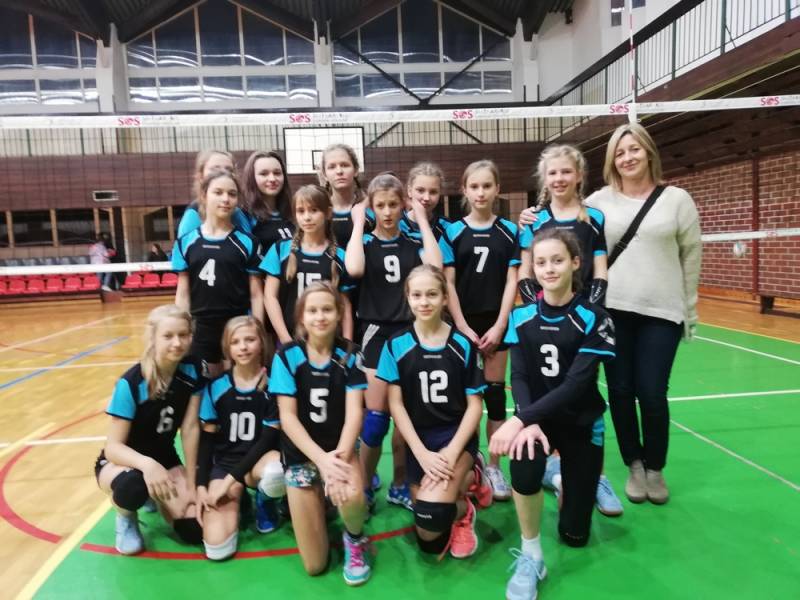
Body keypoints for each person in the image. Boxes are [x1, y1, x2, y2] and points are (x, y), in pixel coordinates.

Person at [489, 229, 616, 600]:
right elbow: (519, 375)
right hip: (538, 424)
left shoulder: (595, 318)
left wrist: (519, 419)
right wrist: (528, 422)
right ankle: (532, 554)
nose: (548, 268)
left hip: (580, 423)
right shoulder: (521, 316)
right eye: (541, 262)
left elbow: (576, 385)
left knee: (574, 535)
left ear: (575, 263)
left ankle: (561, 478)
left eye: (557, 260)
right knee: (523, 465)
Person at [584, 122, 701, 504]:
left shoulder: (677, 200)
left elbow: (691, 256)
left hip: (662, 312)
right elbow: (565, 220)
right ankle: (634, 464)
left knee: (651, 393)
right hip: (613, 310)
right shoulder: (599, 201)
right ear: (611, 161)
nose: (627, 157)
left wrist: (689, 311)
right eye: (619, 153)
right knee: (620, 392)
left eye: (634, 149)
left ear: (649, 152)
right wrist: (531, 217)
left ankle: (655, 467)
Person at [517, 145, 622, 517]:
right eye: (552, 173)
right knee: (546, 384)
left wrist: (589, 307)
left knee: (584, 391)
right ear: (544, 179)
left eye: (566, 172)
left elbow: (600, 268)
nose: (559, 179)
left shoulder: (593, 216)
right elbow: (525, 269)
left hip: (581, 318)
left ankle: (597, 477)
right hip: (544, 315)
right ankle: (554, 466)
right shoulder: (534, 219)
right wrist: (537, 306)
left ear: (578, 175)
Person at [344, 173, 442, 513]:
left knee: (407, 420)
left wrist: (423, 220)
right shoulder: (365, 243)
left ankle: (400, 484)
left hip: (409, 333)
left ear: (404, 205)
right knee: (375, 420)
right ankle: (365, 483)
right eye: (380, 205)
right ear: (371, 207)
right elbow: (353, 269)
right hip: (375, 332)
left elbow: (435, 266)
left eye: (393, 205)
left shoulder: (414, 240)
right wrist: (359, 222)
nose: (387, 212)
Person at [268, 282, 372, 585]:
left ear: (338, 314)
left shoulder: (350, 354)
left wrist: (335, 463)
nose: (320, 316)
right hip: (302, 456)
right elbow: (288, 418)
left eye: (327, 309)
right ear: (302, 317)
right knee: (315, 565)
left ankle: (355, 538)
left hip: (340, 451)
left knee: (352, 496)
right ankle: (316, 503)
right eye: (312, 310)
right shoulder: (287, 356)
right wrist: (321, 462)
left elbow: (355, 415)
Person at [378, 265, 485, 559]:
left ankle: (466, 499)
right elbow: (396, 405)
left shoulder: (463, 345)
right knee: (427, 530)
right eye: (417, 295)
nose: (424, 302)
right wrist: (421, 453)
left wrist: (451, 452)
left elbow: (475, 406)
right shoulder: (395, 345)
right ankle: (465, 488)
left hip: (455, 437)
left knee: (435, 513)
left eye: (432, 294)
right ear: (408, 298)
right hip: (420, 441)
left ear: (445, 298)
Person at [94, 304, 204, 555]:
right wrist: (147, 465)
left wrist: (191, 479)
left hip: (165, 458)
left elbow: (189, 428)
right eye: (168, 336)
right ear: (153, 338)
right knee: (134, 486)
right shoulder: (132, 382)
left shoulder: (193, 370)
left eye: (183, 335)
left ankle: (154, 495)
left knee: (193, 530)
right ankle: (126, 516)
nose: (177, 343)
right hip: (122, 463)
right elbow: (113, 448)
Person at [440, 160, 518, 501]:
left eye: (487, 186)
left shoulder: (510, 231)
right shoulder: (453, 232)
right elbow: (448, 282)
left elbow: (512, 281)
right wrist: (462, 326)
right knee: (463, 399)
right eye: (474, 186)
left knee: (496, 397)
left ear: (497, 189)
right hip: (463, 325)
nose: (481, 192)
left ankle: (495, 468)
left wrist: (500, 325)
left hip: (496, 325)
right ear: (465, 190)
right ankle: (467, 461)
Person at [196, 316, 284, 560]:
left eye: (250, 340)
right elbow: (207, 440)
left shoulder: (274, 384)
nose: (243, 347)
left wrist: (228, 483)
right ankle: (240, 499)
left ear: (262, 343)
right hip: (225, 465)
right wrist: (201, 485)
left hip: (259, 463)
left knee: (276, 471)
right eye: (235, 342)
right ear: (228, 348)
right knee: (217, 548)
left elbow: (267, 440)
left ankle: (265, 500)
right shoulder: (216, 386)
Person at [172, 169, 264, 378]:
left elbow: (256, 294)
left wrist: (257, 330)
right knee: (209, 385)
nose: (226, 199)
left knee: (237, 383)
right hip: (202, 327)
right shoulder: (186, 242)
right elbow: (183, 293)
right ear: (204, 195)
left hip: (237, 324)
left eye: (232, 194)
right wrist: (182, 326)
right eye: (218, 192)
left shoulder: (247, 242)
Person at [262, 184, 353, 346]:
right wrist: (286, 340)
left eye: (314, 210)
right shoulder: (280, 249)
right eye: (301, 211)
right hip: (289, 338)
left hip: (328, 341)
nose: (307, 217)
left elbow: (344, 306)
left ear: (328, 213)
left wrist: (347, 345)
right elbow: (270, 297)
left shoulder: (340, 256)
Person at [177, 150, 250, 238]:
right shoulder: (193, 215)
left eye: (229, 170)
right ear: (200, 176)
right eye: (215, 170)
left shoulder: (237, 213)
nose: (223, 174)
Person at [317, 143, 374, 246]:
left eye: (344, 165)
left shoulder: (371, 208)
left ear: (356, 170)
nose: (339, 171)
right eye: (332, 167)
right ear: (325, 175)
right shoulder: (318, 211)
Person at [241, 150, 295, 256]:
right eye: (264, 174)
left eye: (277, 173)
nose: (272, 179)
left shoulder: (294, 212)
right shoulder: (244, 216)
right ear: (252, 178)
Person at [400, 162, 451, 241]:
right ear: (409, 191)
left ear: (440, 193)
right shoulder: (396, 226)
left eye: (433, 192)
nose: (426, 198)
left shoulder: (447, 227)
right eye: (420, 190)